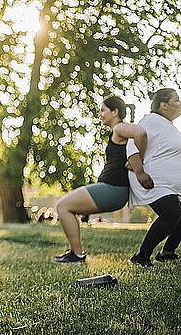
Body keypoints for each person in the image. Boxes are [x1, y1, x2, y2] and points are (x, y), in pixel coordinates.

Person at [52, 96, 148, 263]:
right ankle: (76, 253)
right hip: (111, 188)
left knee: (62, 205)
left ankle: (77, 254)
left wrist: (139, 161)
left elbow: (141, 133)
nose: (100, 114)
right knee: (67, 207)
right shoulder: (116, 131)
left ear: (115, 112)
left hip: (113, 189)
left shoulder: (119, 128)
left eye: (103, 110)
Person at [128, 88, 181, 266]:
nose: (180, 103)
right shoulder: (151, 120)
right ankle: (141, 256)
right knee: (172, 213)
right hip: (152, 181)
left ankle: (167, 252)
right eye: (177, 99)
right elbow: (131, 143)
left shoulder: (167, 126)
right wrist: (139, 172)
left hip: (169, 184)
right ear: (163, 105)